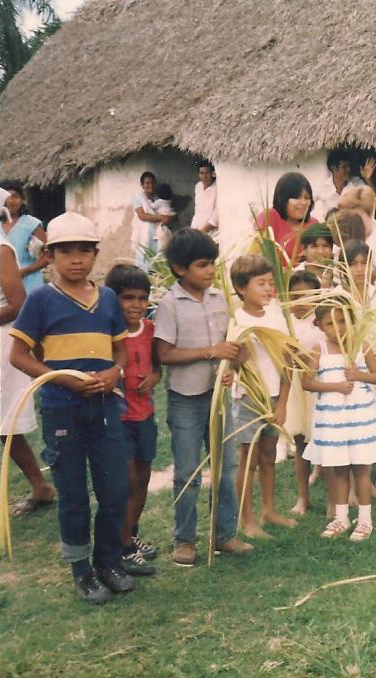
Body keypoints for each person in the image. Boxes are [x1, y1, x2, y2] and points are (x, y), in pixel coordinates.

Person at [9, 212, 132, 604]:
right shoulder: (41, 300)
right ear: (50, 255)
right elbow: (18, 354)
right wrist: (59, 376)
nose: (76, 259)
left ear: (95, 254)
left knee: (114, 487)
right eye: (66, 252)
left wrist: (115, 372)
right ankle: (81, 570)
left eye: (84, 251)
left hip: (106, 407)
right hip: (62, 408)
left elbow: (121, 347)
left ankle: (108, 561)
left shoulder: (108, 298)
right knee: (74, 493)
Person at [154, 228, 253, 566]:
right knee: (187, 472)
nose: (210, 271)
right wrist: (211, 352)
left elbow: (234, 348)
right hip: (186, 398)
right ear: (180, 269)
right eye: (201, 265)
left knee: (226, 467)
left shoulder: (219, 300)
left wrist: (231, 365)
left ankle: (224, 534)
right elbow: (165, 354)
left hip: (217, 396)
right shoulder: (170, 304)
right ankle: (184, 540)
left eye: (212, 264)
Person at [301, 303, 376, 541]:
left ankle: (365, 520)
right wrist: (335, 386)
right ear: (319, 326)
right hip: (333, 418)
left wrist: (359, 375)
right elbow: (306, 382)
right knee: (338, 469)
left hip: (359, 418)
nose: (338, 328)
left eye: (342, 322)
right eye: (330, 323)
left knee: (361, 468)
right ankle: (341, 517)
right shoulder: (319, 350)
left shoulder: (362, 346)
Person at [228, 254, 295, 538]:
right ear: (242, 288)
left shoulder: (278, 316)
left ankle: (269, 510)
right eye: (261, 283)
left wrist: (282, 401)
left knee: (268, 454)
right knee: (249, 459)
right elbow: (232, 361)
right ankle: (248, 519)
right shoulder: (236, 319)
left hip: (273, 396)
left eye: (270, 283)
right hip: (248, 398)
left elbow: (288, 361)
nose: (268, 289)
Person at [0, 189, 56, 517]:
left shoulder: (2, 250)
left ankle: (41, 485)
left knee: (6, 423)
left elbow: (18, 304)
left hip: (4, 340)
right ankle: (40, 486)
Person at [104, 264, 161, 576]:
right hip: (119, 419)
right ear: (114, 299)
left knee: (142, 481)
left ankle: (130, 535)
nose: (137, 305)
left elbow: (157, 367)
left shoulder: (150, 330)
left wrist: (154, 375)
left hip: (145, 417)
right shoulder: (108, 332)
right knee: (125, 484)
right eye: (128, 298)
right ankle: (122, 548)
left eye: (142, 298)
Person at [283, 270, 324, 515]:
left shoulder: (322, 322)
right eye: (294, 296)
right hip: (297, 389)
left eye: (305, 296)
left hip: (319, 388)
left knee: (325, 440)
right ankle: (303, 497)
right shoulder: (285, 323)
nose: (299, 302)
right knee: (300, 443)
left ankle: (336, 499)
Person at [0, 180, 48, 293]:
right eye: (6, 197)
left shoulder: (32, 224)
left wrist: (26, 271)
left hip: (29, 281)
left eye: (15, 196)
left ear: (22, 200)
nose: (10, 201)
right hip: (3, 283)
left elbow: (47, 256)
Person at [256, 172, 315, 266]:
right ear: (283, 199)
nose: (303, 202)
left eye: (307, 198)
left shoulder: (314, 225)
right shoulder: (269, 217)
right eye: (297, 198)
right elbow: (256, 255)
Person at [316, 149, 376, 218]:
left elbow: (373, 199)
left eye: (348, 166)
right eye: (344, 167)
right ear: (334, 168)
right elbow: (309, 202)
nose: (349, 170)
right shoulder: (323, 187)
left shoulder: (356, 183)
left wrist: (367, 179)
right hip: (331, 227)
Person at [130, 171, 172, 266]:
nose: (150, 185)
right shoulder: (138, 198)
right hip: (144, 235)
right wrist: (161, 217)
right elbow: (142, 216)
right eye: (147, 183)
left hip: (158, 235)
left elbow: (168, 217)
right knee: (144, 259)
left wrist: (164, 217)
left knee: (158, 261)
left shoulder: (158, 199)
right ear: (142, 185)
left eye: (152, 182)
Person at [295, 223, 335, 288]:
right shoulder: (295, 276)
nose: (320, 251)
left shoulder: (339, 273)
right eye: (314, 246)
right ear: (304, 249)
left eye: (325, 246)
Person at [191, 160, 219, 238]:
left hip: (211, 234)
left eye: (207, 173)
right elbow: (197, 210)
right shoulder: (198, 186)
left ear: (212, 174)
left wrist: (203, 230)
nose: (204, 177)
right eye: (201, 173)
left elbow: (216, 215)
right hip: (196, 230)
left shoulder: (218, 188)